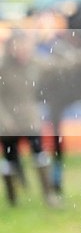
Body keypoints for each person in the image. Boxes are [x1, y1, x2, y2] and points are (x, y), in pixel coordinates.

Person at [0, 30, 60, 207]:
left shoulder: (35, 62)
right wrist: (4, 120)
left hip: (30, 120)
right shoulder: (2, 67)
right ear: (11, 48)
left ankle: (49, 196)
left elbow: (57, 65)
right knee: (10, 160)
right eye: (19, 45)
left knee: (40, 156)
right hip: (7, 123)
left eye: (26, 45)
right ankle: (12, 199)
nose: (23, 49)